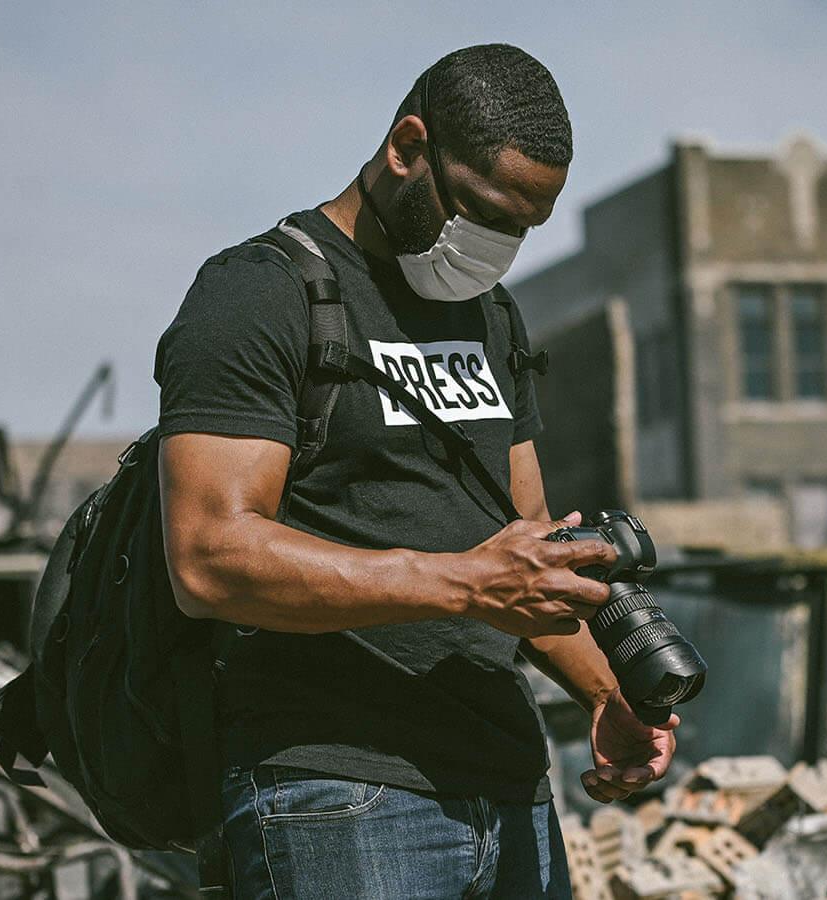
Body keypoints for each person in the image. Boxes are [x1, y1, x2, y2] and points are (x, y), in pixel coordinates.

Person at [153, 43, 679, 899]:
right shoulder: (259, 293)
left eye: (522, 227)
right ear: (407, 148)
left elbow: (529, 562)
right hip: (338, 788)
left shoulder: (490, 315)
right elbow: (209, 558)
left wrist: (603, 695)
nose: (496, 245)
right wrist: (464, 585)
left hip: (510, 784)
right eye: (483, 212)